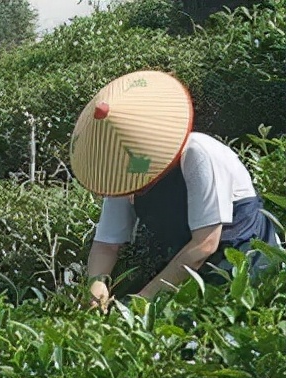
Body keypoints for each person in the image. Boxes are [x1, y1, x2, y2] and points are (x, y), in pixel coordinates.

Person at [70, 69, 280, 310]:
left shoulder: (198, 154)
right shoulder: (121, 173)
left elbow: (205, 244)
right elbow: (106, 245)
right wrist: (96, 284)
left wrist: (143, 301)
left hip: (244, 259)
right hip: (185, 267)